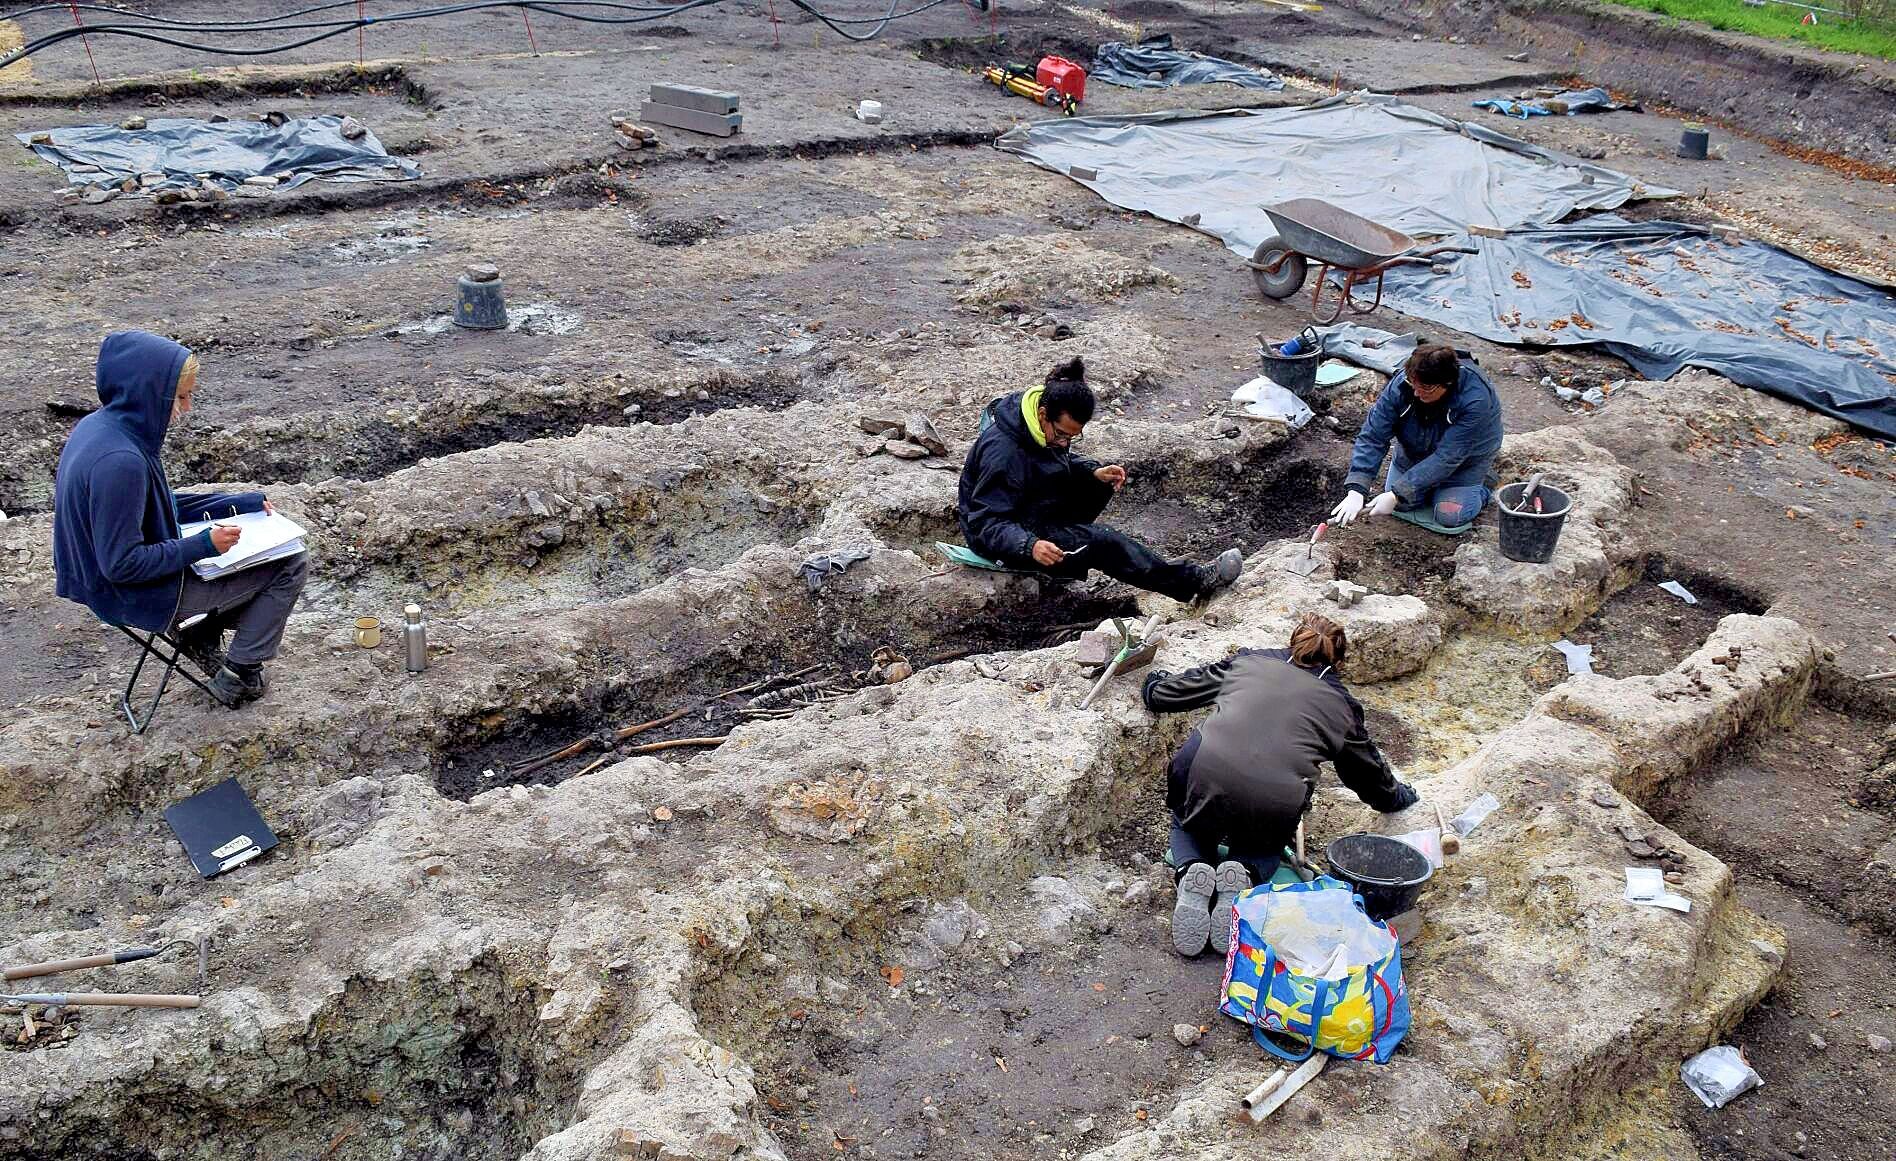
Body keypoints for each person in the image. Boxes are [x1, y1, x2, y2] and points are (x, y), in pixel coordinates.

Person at [53, 331, 307, 708]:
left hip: (101, 581)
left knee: (263, 560)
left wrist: (236, 504)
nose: (186, 408)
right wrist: (204, 545)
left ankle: (202, 634)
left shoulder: (104, 428)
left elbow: (153, 506)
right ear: (149, 394)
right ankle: (239, 674)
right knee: (291, 562)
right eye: (180, 397)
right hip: (133, 594)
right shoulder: (121, 462)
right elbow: (122, 564)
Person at [1141, 613, 1418, 957]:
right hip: (1272, 801)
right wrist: (1400, 797)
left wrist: (1154, 684)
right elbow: (1367, 776)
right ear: (1339, 660)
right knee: (1264, 847)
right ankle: (1244, 873)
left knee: (1188, 823)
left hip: (1201, 773)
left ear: (1293, 641)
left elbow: (1171, 694)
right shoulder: (1342, 706)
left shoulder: (1249, 662)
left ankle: (1189, 871)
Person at [957, 357, 1242, 602]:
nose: (1064, 442)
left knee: (1096, 484)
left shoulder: (1037, 422)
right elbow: (986, 522)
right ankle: (1192, 583)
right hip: (999, 538)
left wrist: (1092, 471)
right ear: (1043, 415)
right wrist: (1029, 545)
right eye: (1061, 434)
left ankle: (1067, 552)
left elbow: (1049, 462)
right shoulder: (1003, 453)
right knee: (1103, 543)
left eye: (1072, 436)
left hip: (1026, 511)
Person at [1328, 341, 1503, 532]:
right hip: (1415, 450)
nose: (1417, 393)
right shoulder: (1404, 384)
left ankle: (1484, 484)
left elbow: (1448, 456)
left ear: (1448, 383)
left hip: (1464, 461)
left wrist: (1397, 493)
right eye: (1414, 384)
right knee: (1402, 503)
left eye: (1426, 388)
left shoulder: (1475, 399)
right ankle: (1427, 487)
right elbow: (1373, 436)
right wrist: (1357, 488)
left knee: (1449, 515)